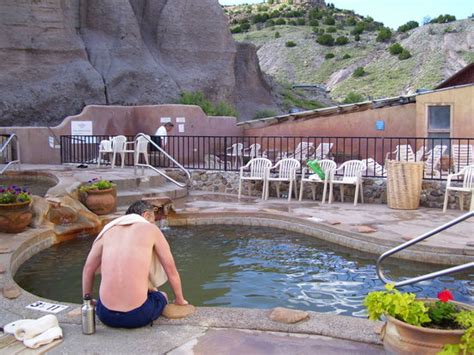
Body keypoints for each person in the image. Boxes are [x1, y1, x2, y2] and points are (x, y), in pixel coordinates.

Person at [82, 200, 188, 328]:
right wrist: (180, 300)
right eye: (153, 220)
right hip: (137, 316)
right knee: (162, 295)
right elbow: (171, 270)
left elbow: (88, 269)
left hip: (105, 314)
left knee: (147, 288)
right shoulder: (151, 229)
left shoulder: (108, 231)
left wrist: (87, 301)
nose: (154, 224)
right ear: (146, 215)